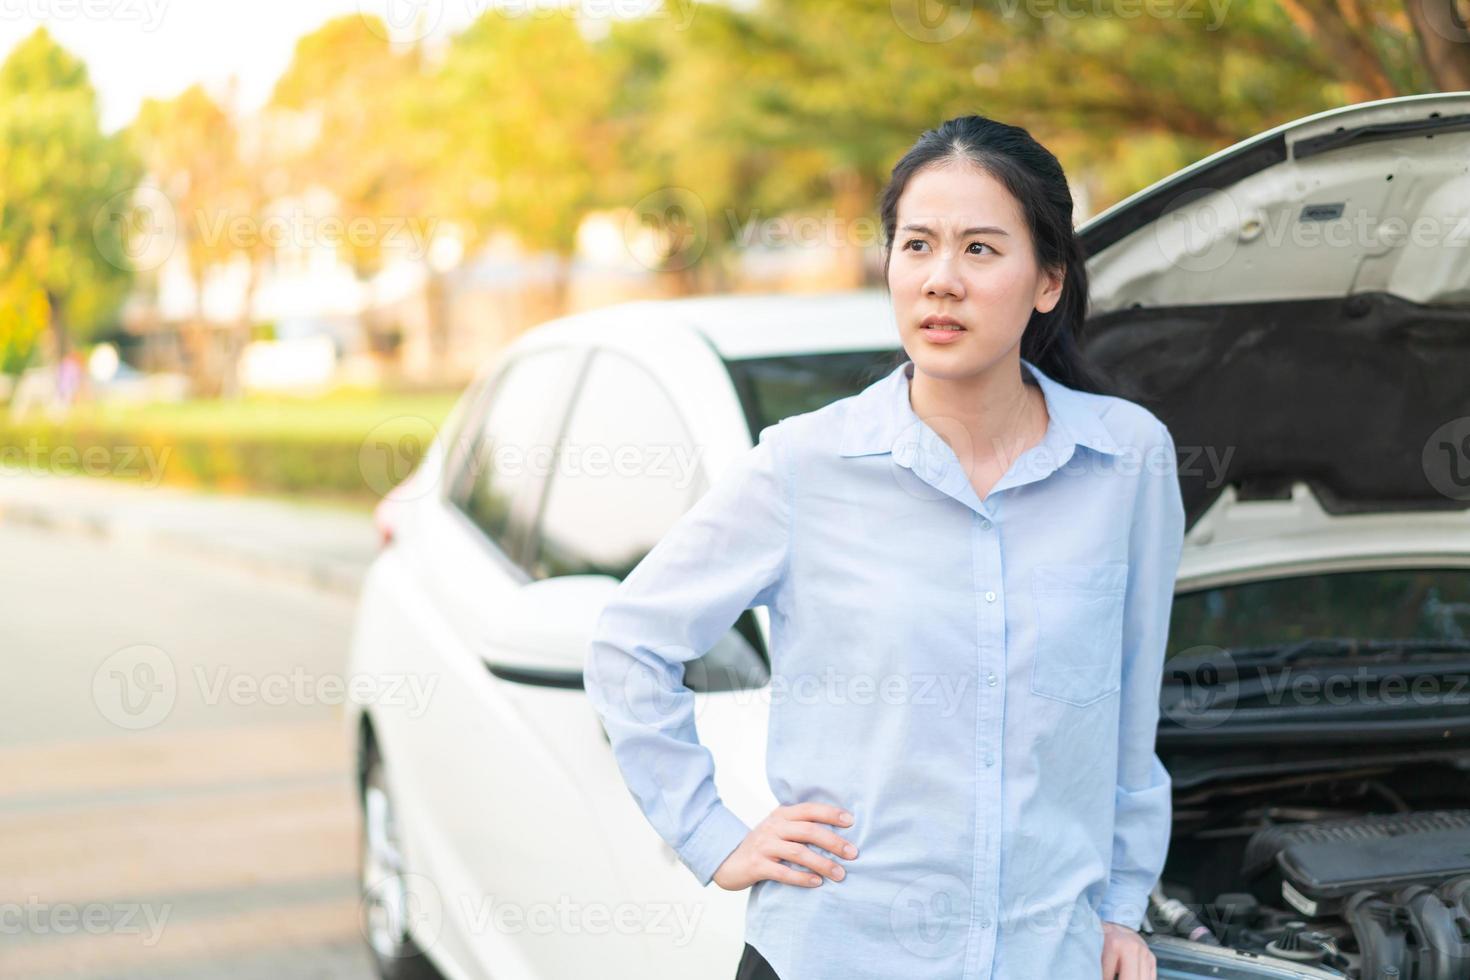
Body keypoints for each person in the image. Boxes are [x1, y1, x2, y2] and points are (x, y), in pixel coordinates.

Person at [583, 114, 1185, 980]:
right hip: (839, 953)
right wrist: (713, 837)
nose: (942, 280)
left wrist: (1123, 909)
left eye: (981, 250)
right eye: (917, 246)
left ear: (1048, 280)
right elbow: (627, 644)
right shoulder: (805, 463)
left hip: (1049, 956)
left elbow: (1131, 710)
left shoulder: (1127, 458)